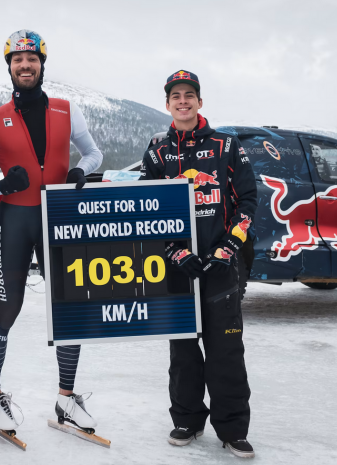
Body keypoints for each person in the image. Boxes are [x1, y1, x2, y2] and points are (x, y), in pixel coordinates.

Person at [0, 30, 103, 433]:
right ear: (9, 67)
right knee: (5, 312)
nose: (25, 66)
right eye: (17, 61)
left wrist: (83, 170)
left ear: (42, 64)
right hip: (14, 220)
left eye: (31, 59)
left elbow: (94, 152)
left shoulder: (67, 110)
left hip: (59, 219)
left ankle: (66, 399)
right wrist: (1, 187)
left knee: (71, 310)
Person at [139, 70, 257, 458]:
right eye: (176, 96)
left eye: (190, 95)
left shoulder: (226, 144)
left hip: (222, 264)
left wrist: (229, 247)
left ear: (200, 102)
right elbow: (147, 209)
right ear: (168, 103)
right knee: (183, 352)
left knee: (226, 351)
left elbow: (249, 201)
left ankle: (233, 428)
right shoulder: (157, 151)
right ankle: (187, 420)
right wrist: (175, 251)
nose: (183, 101)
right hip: (178, 268)